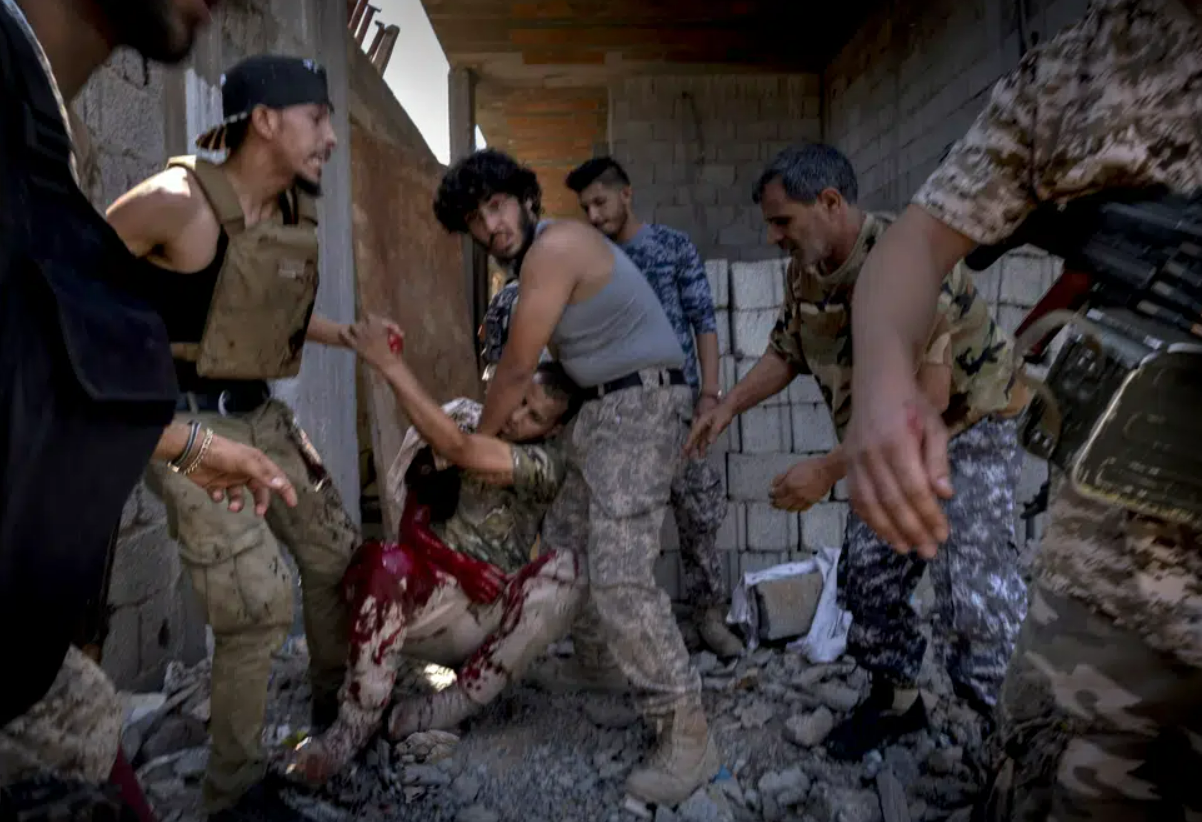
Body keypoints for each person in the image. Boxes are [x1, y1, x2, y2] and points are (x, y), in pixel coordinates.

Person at [842, 1, 1202, 816]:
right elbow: (913, 250)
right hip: (1125, 588)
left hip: (980, 428)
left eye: (784, 223)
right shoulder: (1084, 71)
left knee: (977, 599)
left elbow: (950, 385)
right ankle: (921, 706)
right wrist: (879, 383)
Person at [0, 0, 299, 817]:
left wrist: (188, 447)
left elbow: (33, 358)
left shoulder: (40, 121)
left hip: (6, 657)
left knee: (87, 727)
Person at [687, 144, 1030, 759]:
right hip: (883, 438)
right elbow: (789, 348)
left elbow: (924, 404)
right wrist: (729, 405)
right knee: (867, 580)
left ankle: (1017, 756)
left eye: (781, 220)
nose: (772, 237)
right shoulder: (806, 268)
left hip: (966, 429)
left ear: (830, 203)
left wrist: (825, 469)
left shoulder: (912, 263)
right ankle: (897, 701)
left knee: (977, 607)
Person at [103, 54, 361, 821]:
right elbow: (70, 284)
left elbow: (246, 310)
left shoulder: (288, 213)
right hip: (189, 427)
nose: (332, 139)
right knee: (255, 603)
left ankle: (335, 713)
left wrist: (346, 334)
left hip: (261, 414)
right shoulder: (176, 202)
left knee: (332, 554)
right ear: (266, 121)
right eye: (319, 118)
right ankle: (236, 791)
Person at [435, 148, 721, 807]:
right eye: (477, 219)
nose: (492, 225)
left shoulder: (556, 246)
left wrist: (475, 450)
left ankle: (688, 732)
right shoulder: (537, 262)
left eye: (498, 205)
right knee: (566, 546)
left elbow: (514, 369)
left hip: (640, 405)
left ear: (526, 200)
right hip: (602, 409)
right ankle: (601, 671)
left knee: (620, 574)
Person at [285, 313, 583, 784]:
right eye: (520, 400)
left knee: (568, 573)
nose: (518, 416)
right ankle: (354, 724)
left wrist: (391, 367)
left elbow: (466, 450)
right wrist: (458, 565)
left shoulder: (545, 463)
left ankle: (447, 706)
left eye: (535, 417)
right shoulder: (462, 417)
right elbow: (412, 523)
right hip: (430, 594)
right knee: (379, 560)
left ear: (550, 431)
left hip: (490, 612)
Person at [565, 156, 742, 659]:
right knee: (621, 527)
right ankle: (634, 635)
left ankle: (709, 616)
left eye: (600, 202)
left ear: (626, 194)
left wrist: (709, 394)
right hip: (616, 413)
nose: (594, 216)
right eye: (585, 208)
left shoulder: (671, 247)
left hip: (679, 405)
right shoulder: (590, 259)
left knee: (698, 511)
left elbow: (702, 320)